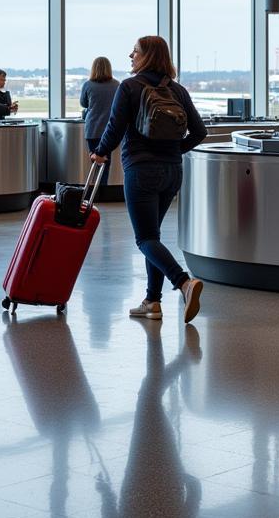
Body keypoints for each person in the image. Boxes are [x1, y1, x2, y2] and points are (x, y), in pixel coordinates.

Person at [91, 36, 207, 323]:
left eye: (136, 51)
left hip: (141, 171)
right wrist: (172, 151)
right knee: (152, 236)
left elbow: (115, 128)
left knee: (144, 239)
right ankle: (152, 302)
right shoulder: (177, 90)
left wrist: (100, 152)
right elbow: (199, 132)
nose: (130, 55)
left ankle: (184, 283)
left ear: (147, 57)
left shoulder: (130, 87)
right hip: (172, 172)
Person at [80, 56, 119, 179]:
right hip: (110, 130)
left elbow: (84, 104)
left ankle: (95, 193)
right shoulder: (116, 85)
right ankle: (103, 190)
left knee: (95, 163)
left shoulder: (88, 85)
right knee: (106, 164)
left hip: (93, 129)